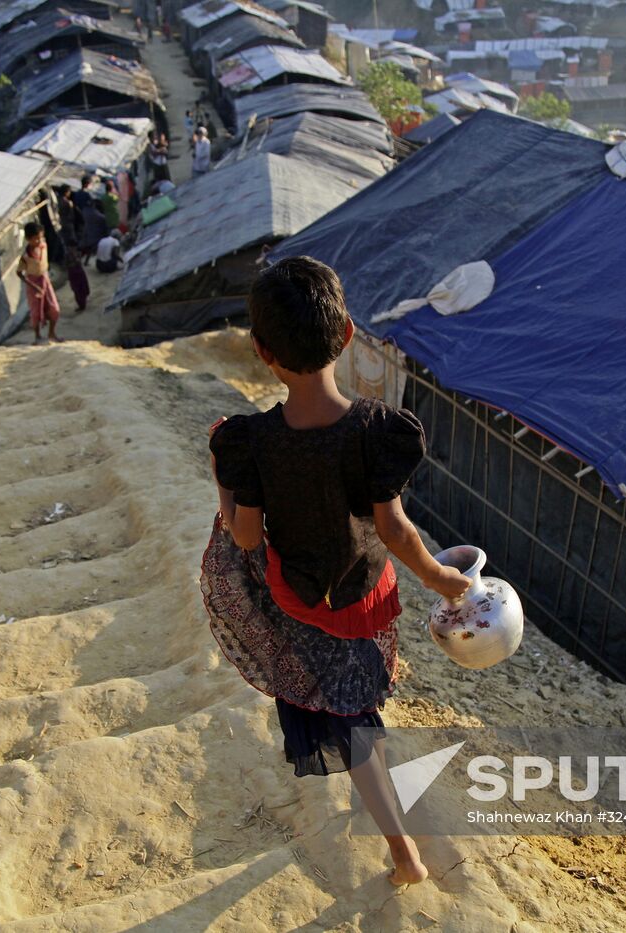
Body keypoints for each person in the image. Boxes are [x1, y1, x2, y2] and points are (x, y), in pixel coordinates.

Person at [202, 256, 470, 887]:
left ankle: (404, 855)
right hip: (365, 596)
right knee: (356, 709)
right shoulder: (378, 431)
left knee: (350, 725)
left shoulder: (252, 442)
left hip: (297, 603)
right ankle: (397, 834)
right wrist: (440, 579)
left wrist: (226, 486)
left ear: (262, 351)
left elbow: (243, 535)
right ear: (347, 333)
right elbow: (393, 529)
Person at [17, 221, 60, 344]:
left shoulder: (43, 246)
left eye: (40, 238)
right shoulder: (26, 256)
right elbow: (19, 273)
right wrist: (34, 286)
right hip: (33, 283)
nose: (39, 241)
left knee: (54, 308)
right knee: (36, 311)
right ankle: (37, 336)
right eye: (36, 239)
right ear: (28, 239)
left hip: (45, 279)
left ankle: (52, 333)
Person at [65, 245, 91, 312]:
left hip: (78, 273)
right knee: (77, 291)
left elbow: (78, 263)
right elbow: (67, 266)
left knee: (81, 289)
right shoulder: (68, 255)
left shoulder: (77, 254)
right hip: (74, 273)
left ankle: (82, 304)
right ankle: (81, 304)